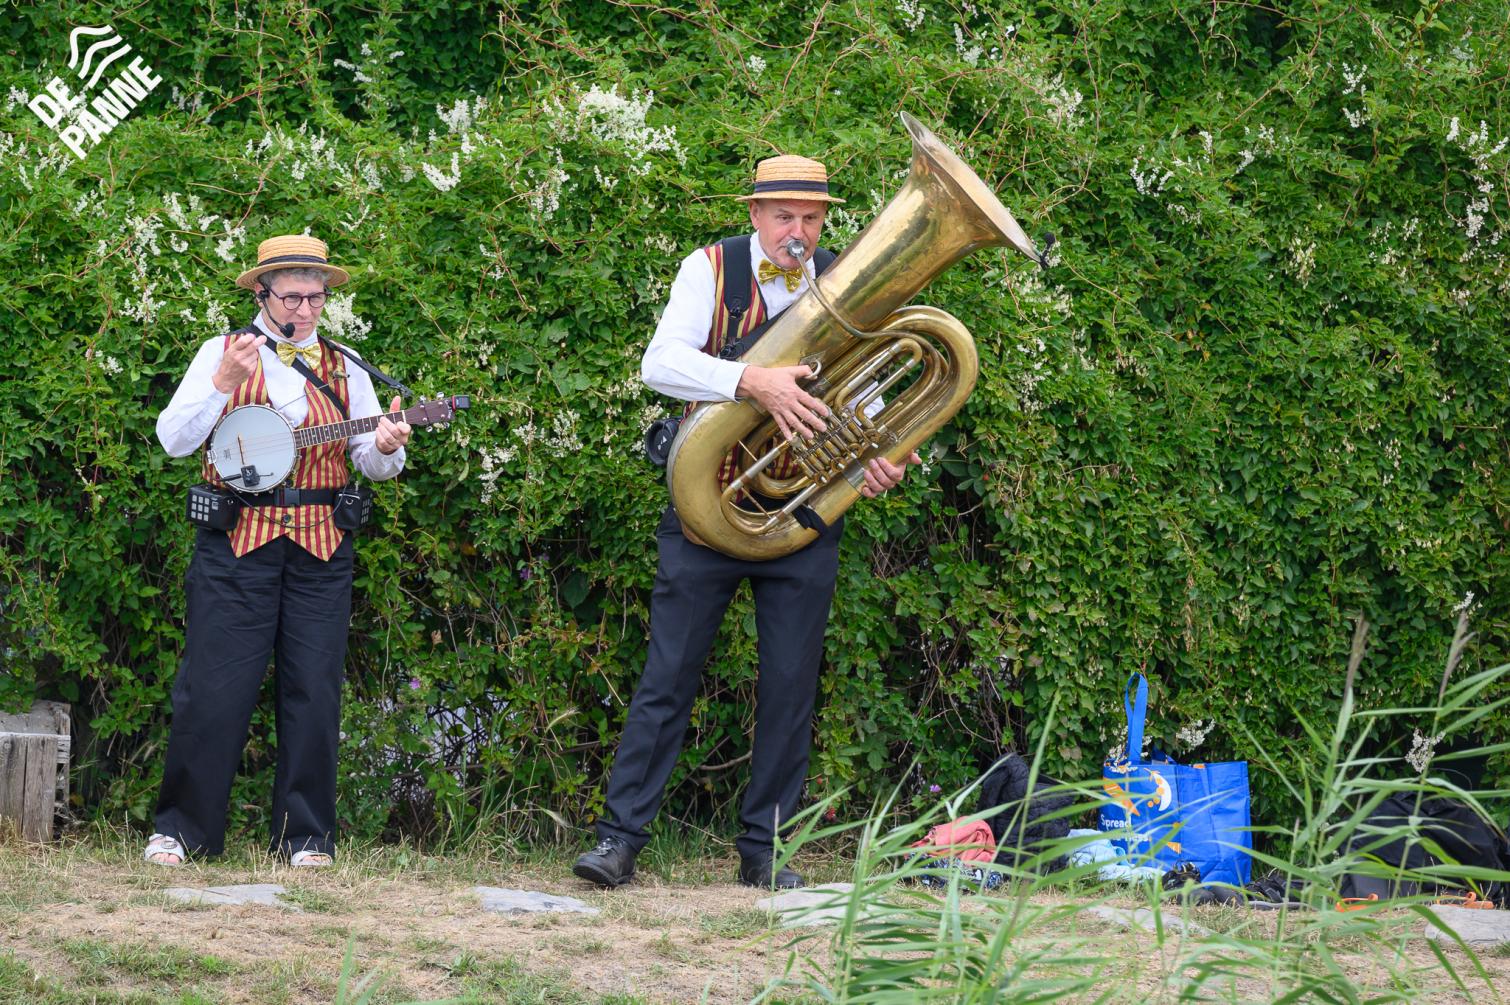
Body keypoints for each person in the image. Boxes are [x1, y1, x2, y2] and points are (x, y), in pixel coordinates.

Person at [574, 155, 920, 890]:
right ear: (756, 214)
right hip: (707, 504)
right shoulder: (709, 269)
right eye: (784, 215)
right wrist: (748, 379)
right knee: (668, 677)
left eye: (812, 218)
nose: (800, 232)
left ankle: (768, 851)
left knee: (791, 685)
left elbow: (864, 394)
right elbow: (659, 363)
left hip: (799, 510)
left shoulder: (844, 276)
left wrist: (878, 456)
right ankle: (619, 840)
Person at [144, 235, 412, 868]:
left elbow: (370, 461)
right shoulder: (221, 352)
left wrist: (389, 446)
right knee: (213, 687)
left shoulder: (346, 365)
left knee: (314, 691)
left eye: (316, 297)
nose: (307, 309)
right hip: (237, 541)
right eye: (293, 297)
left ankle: (306, 838)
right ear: (262, 294)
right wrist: (222, 385)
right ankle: (182, 831)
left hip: (321, 544)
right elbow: (174, 441)